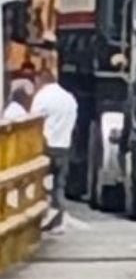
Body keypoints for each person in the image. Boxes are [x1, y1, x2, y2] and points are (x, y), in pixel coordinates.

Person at [29, 70, 77, 233]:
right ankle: (58, 222)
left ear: (39, 80)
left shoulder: (42, 97)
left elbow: (33, 122)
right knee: (59, 187)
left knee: (37, 185)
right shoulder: (69, 98)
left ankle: (36, 221)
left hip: (45, 146)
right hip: (64, 146)